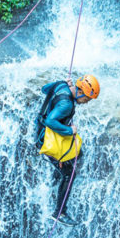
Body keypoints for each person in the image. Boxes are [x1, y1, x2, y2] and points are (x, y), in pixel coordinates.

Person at [34, 74, 100, 226]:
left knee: (79, 154)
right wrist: (70, 130)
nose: (86, 102)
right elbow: (51, 120)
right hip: (46, 139)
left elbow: (45, 89)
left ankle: (59, 174)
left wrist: (62, 83)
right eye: (87, 99)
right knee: (70, 174)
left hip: (43, 131)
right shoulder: (67, 104)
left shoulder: (61, 85)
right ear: (81, 91)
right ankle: (59, 212)